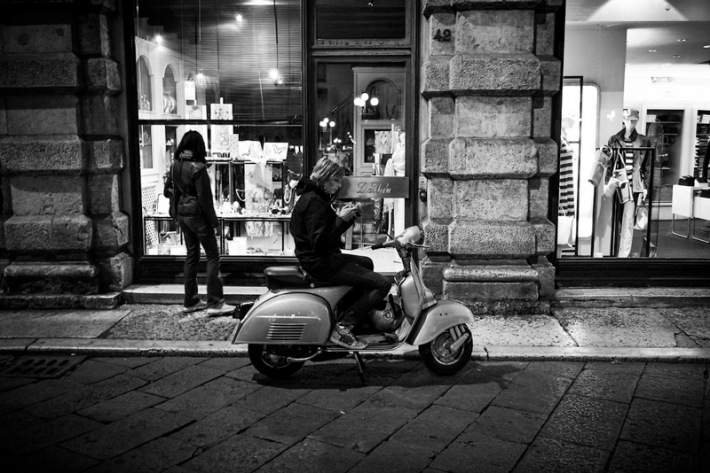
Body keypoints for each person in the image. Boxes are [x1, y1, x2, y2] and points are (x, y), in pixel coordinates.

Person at [290, 156, 391, 349]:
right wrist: (342, 220)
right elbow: (320, 242)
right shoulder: (314, 202)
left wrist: (345, 217)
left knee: (367, 263)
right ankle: (344, 327)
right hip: (321, 263)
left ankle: (353, 315)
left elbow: (324, 234)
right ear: (324, 177)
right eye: (336, 181)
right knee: (382, 284)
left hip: (322, 258)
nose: (338, 186)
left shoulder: (315, 197)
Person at [165, 131, 235, 316]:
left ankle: (191, 300)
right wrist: (214, 222)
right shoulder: (198, 168)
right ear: (199, 146)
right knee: (213, 256)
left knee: (192, 256)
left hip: (183, 215)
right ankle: (215, 302)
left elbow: (171, 191)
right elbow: (205, 199)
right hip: (198, 216)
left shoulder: (175, 165)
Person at [603, 108, 651, 257]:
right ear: (624, 120)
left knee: (628, 219)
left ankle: (623, 254)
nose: (631, 123)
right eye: (629, 120)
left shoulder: (643, 141)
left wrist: (646, 186)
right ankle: (616, 251)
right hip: (619, 184)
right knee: (618, 219)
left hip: (633, 185)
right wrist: (607, 182)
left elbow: (647, 166)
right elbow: (610, 163)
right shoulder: (614, 139)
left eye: (634, 120)